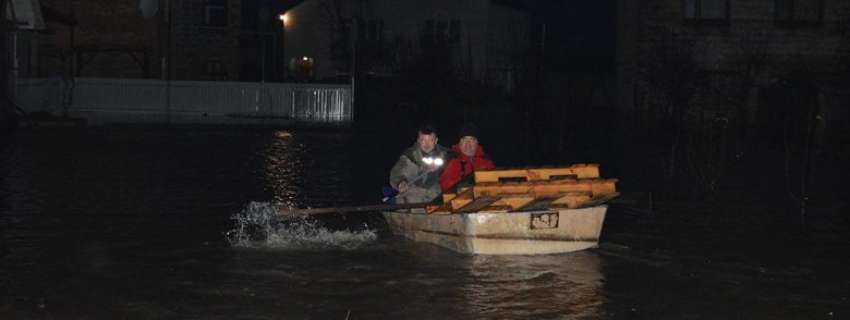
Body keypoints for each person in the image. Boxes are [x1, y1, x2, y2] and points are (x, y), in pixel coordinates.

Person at [389, 125, 449, 203]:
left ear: (436, 141)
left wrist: (440, 169)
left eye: (430, 140)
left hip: (435, 195)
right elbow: (396, 173)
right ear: (418, 140)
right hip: (412, 194)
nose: (427, 144)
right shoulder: (409, 156)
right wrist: (400, 183)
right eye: (423, 140)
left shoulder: (446, 155)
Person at [440, 123, 495, 192]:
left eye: (471, 140)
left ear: (477, 142)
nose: (468, 144)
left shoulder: (485, 160)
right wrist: (466, 188)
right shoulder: (452, 159)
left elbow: (493, 181)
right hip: (459, 199)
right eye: (464, 140)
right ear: (459, 143)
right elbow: (446, 184)